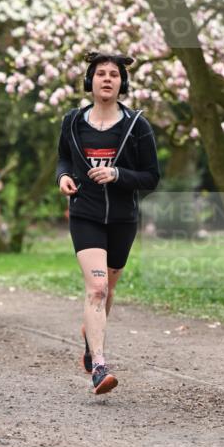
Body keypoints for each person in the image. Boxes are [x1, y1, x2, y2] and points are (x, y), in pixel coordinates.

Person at [56, 51, 159, 394]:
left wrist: (116, 173)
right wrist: (63, 177)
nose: (107, 79)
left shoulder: (136, 125)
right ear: (90, 81)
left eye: (114, 74)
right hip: (84, 214)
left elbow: (151, 177)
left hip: (121, 218)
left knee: (109, 288)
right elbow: (63, 159)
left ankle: (91, 340)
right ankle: (99, 366)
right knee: (97, 287)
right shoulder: (73, 121)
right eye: (100, 73)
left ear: (121, 82)